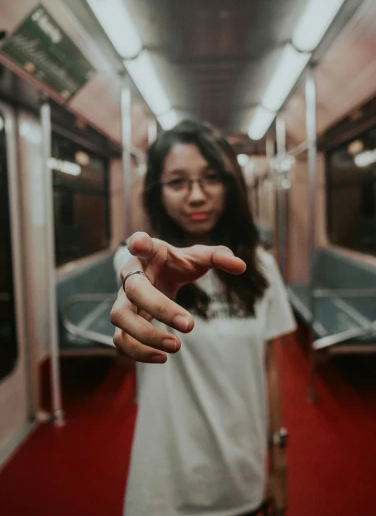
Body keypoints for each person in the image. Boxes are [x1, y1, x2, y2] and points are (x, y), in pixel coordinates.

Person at [110, 119, 297, 516]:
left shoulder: (259, 267)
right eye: (178, 183)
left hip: (241, 477)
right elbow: (131, 275)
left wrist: (277, 462)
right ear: (157, 194)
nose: (196, 196)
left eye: (211, 178)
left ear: (231, 186)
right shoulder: (147, 264)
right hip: (163, 484)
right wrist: (135, 290)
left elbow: (268, 369)